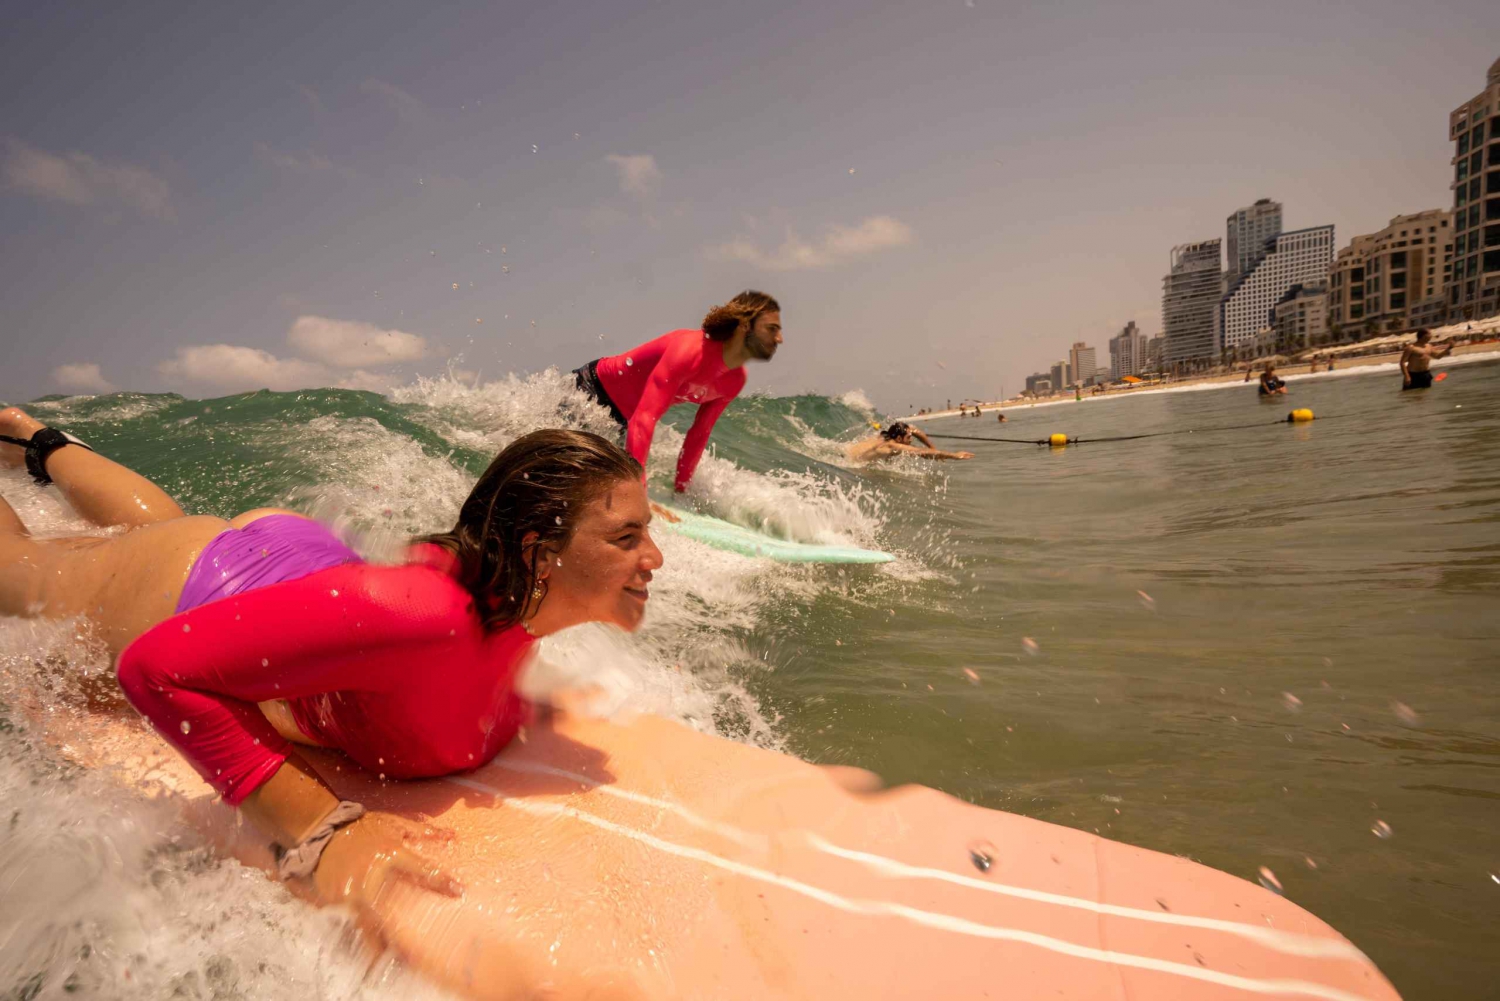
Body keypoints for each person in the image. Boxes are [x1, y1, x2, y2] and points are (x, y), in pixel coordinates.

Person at [0, 407, 662, 913]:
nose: (654, 558)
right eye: (627, 537)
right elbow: (154, 668)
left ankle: (34, 439)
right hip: (193, 585)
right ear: (539, 553)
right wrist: (320, 826)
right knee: (24, 568)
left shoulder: (516, 603)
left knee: (155, 518)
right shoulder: (430, 616)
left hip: (304, 571)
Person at [572, 291, 781, 495]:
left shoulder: (734, 380)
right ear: (745, 325)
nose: (779, 338)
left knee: (596, 488)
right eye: (772, 329)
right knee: (565, 478)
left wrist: (681, 491)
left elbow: (699, 434)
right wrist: (639, 494)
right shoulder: (689, 351)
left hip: (621, 421)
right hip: (590, 391)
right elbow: (644, 418)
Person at [846, 421, 974, 462]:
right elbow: (920, 451)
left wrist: (933, 448)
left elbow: (916, 431)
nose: (911, 439)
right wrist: (954, 455)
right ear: (899, 439)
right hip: (848, 461)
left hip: (847, 449)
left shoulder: (885, 435)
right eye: (908, 437)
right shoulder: (891, 445)